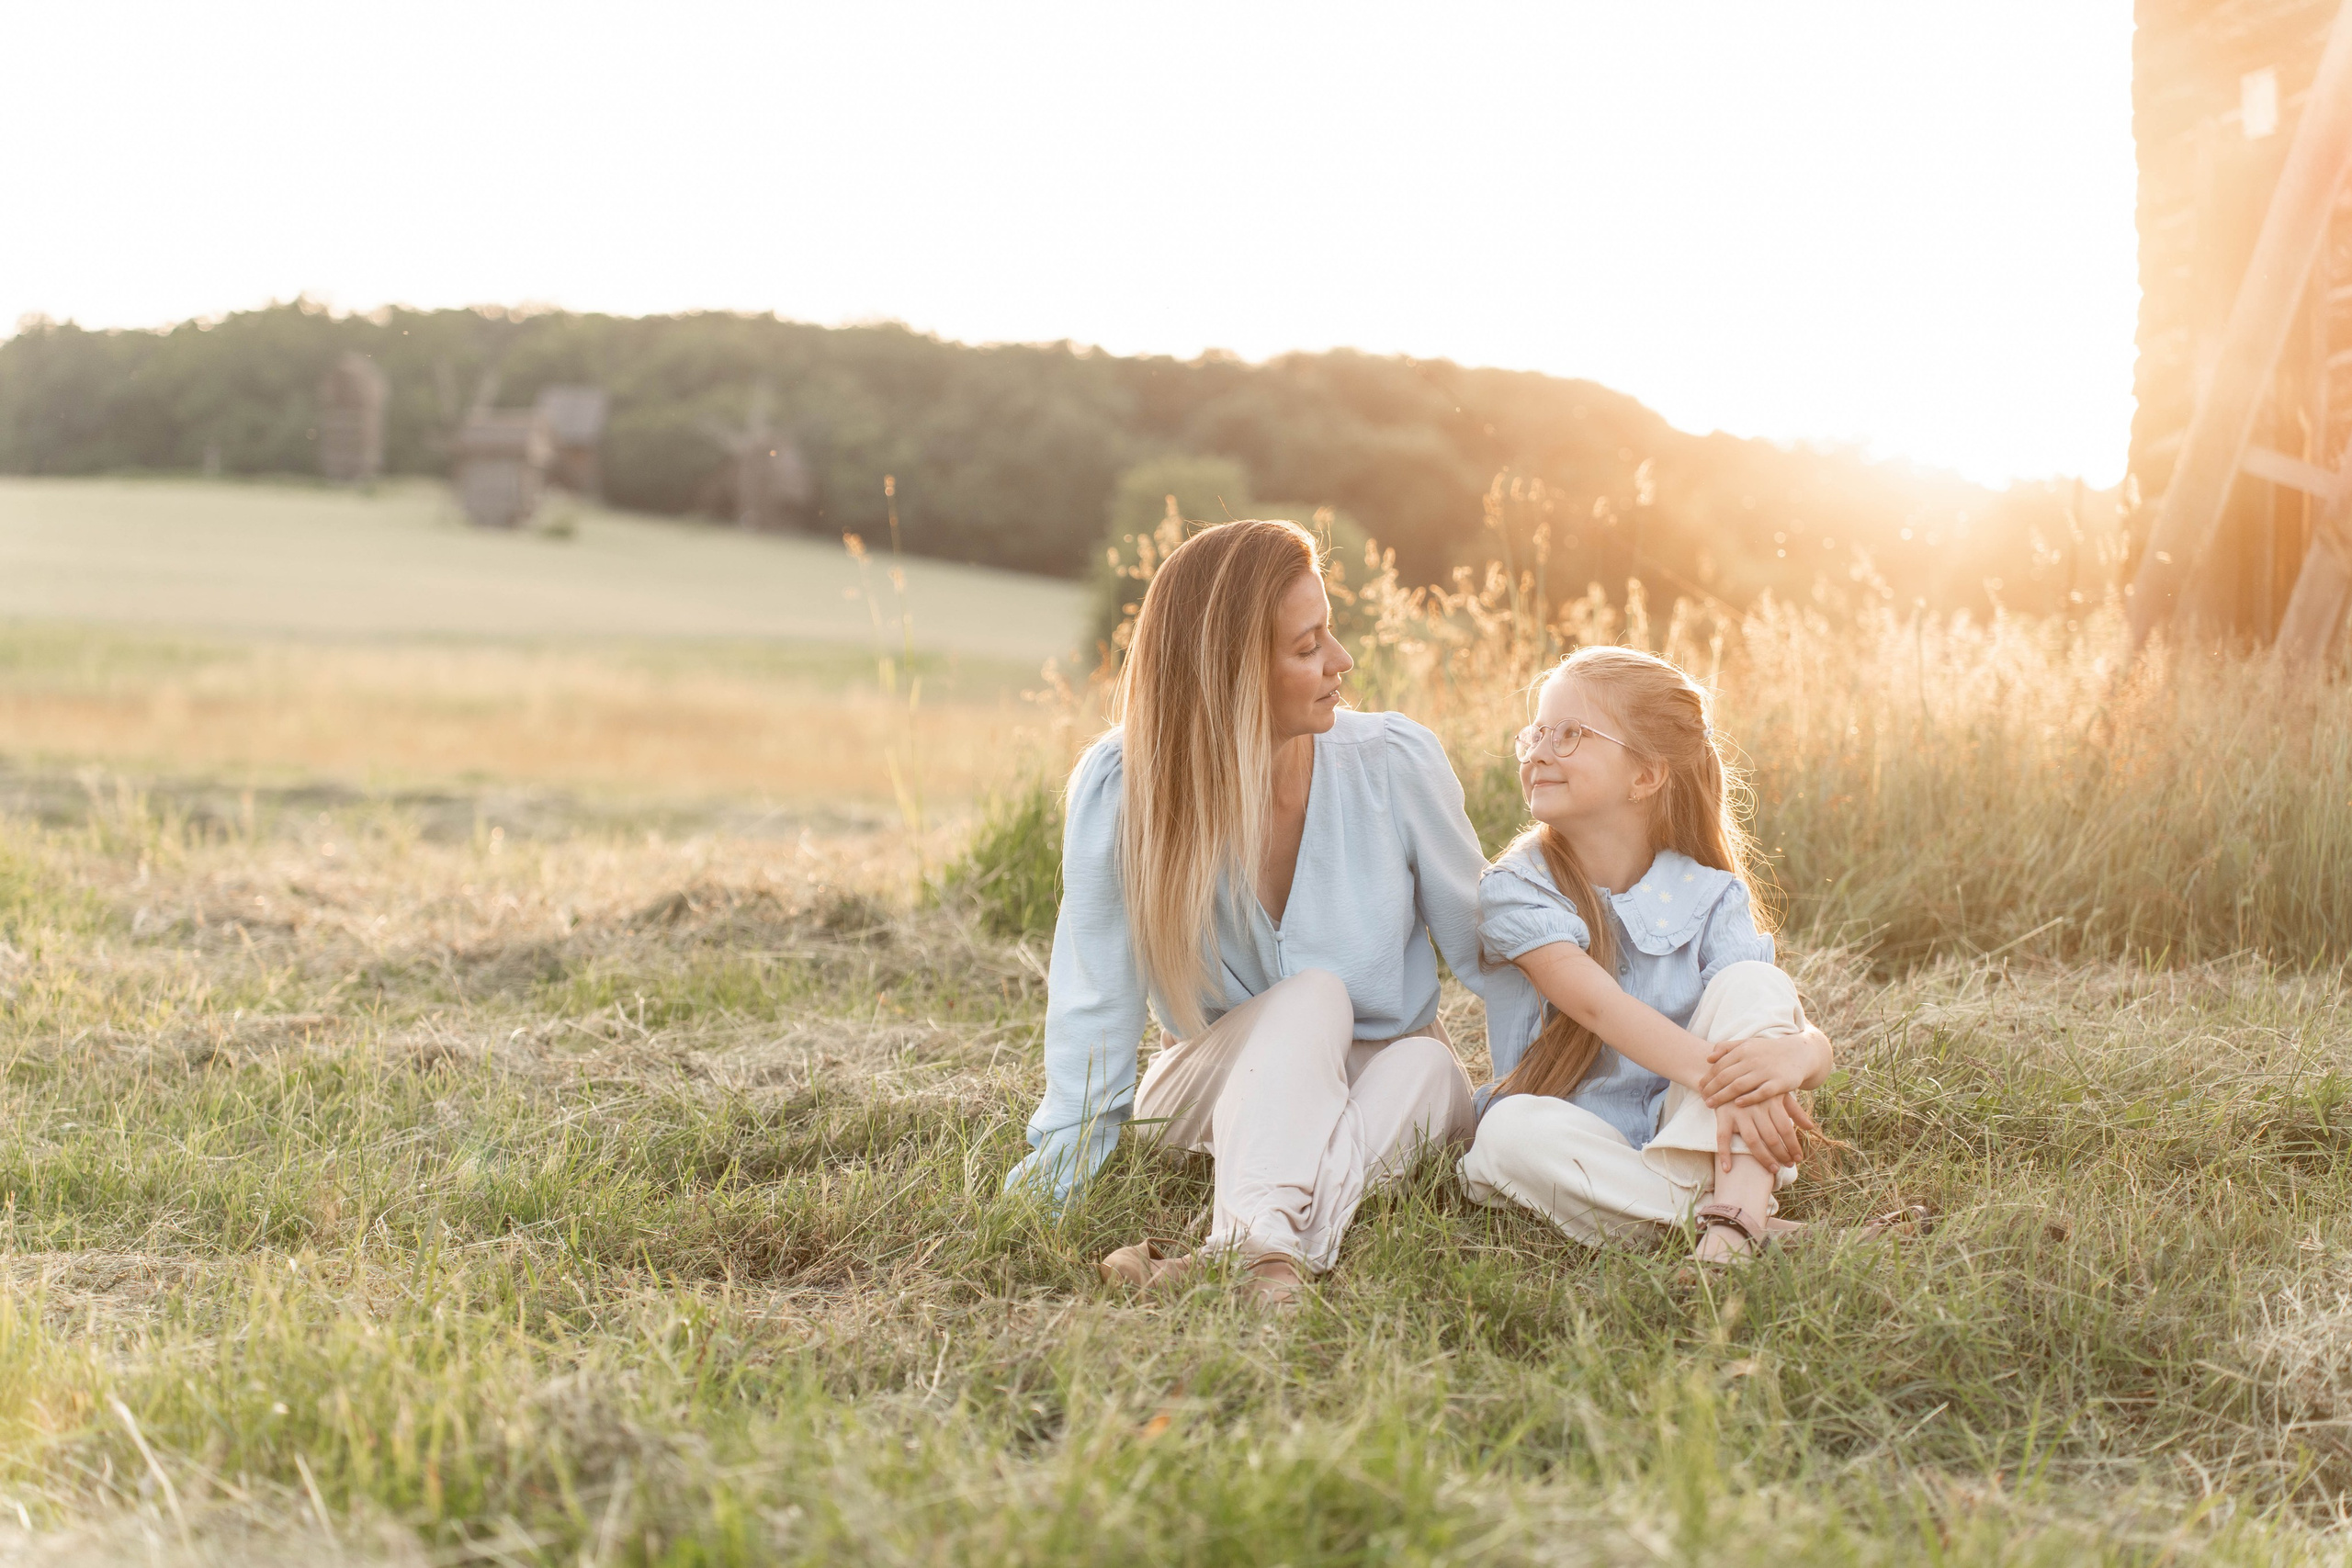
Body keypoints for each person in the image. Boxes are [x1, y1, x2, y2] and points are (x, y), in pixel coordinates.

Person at [1003, 518, 1522, 1307]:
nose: (1341, 661)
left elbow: (1495, 957)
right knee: (1315, 994)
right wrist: (1059, 1175)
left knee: (1431, 1071)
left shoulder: (1395, 763)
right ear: (1233, 673)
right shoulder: (1124, 785)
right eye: (1308, 646)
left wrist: (1553, 1098)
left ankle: (1244, 1252)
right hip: (1210, 1083)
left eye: (1330, 634)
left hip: (1383, 1075)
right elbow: (1094, 1000)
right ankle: (1259, 1247)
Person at [1457, 645, 1836, 1264]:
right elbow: (1599, 1006)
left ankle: (1722, 1227)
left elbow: (1775, 1019)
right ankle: (1740, 1220)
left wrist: (1797, 1054)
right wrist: (1741, 1087)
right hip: (1582, 1138)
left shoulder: (1712, 893)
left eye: (1571, 733)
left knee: (1755, 984)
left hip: (1695, 1128)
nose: (1539, 751)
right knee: (1504, 1133)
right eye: (1537, 732)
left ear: (1646, 775)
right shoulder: (1518, 888)